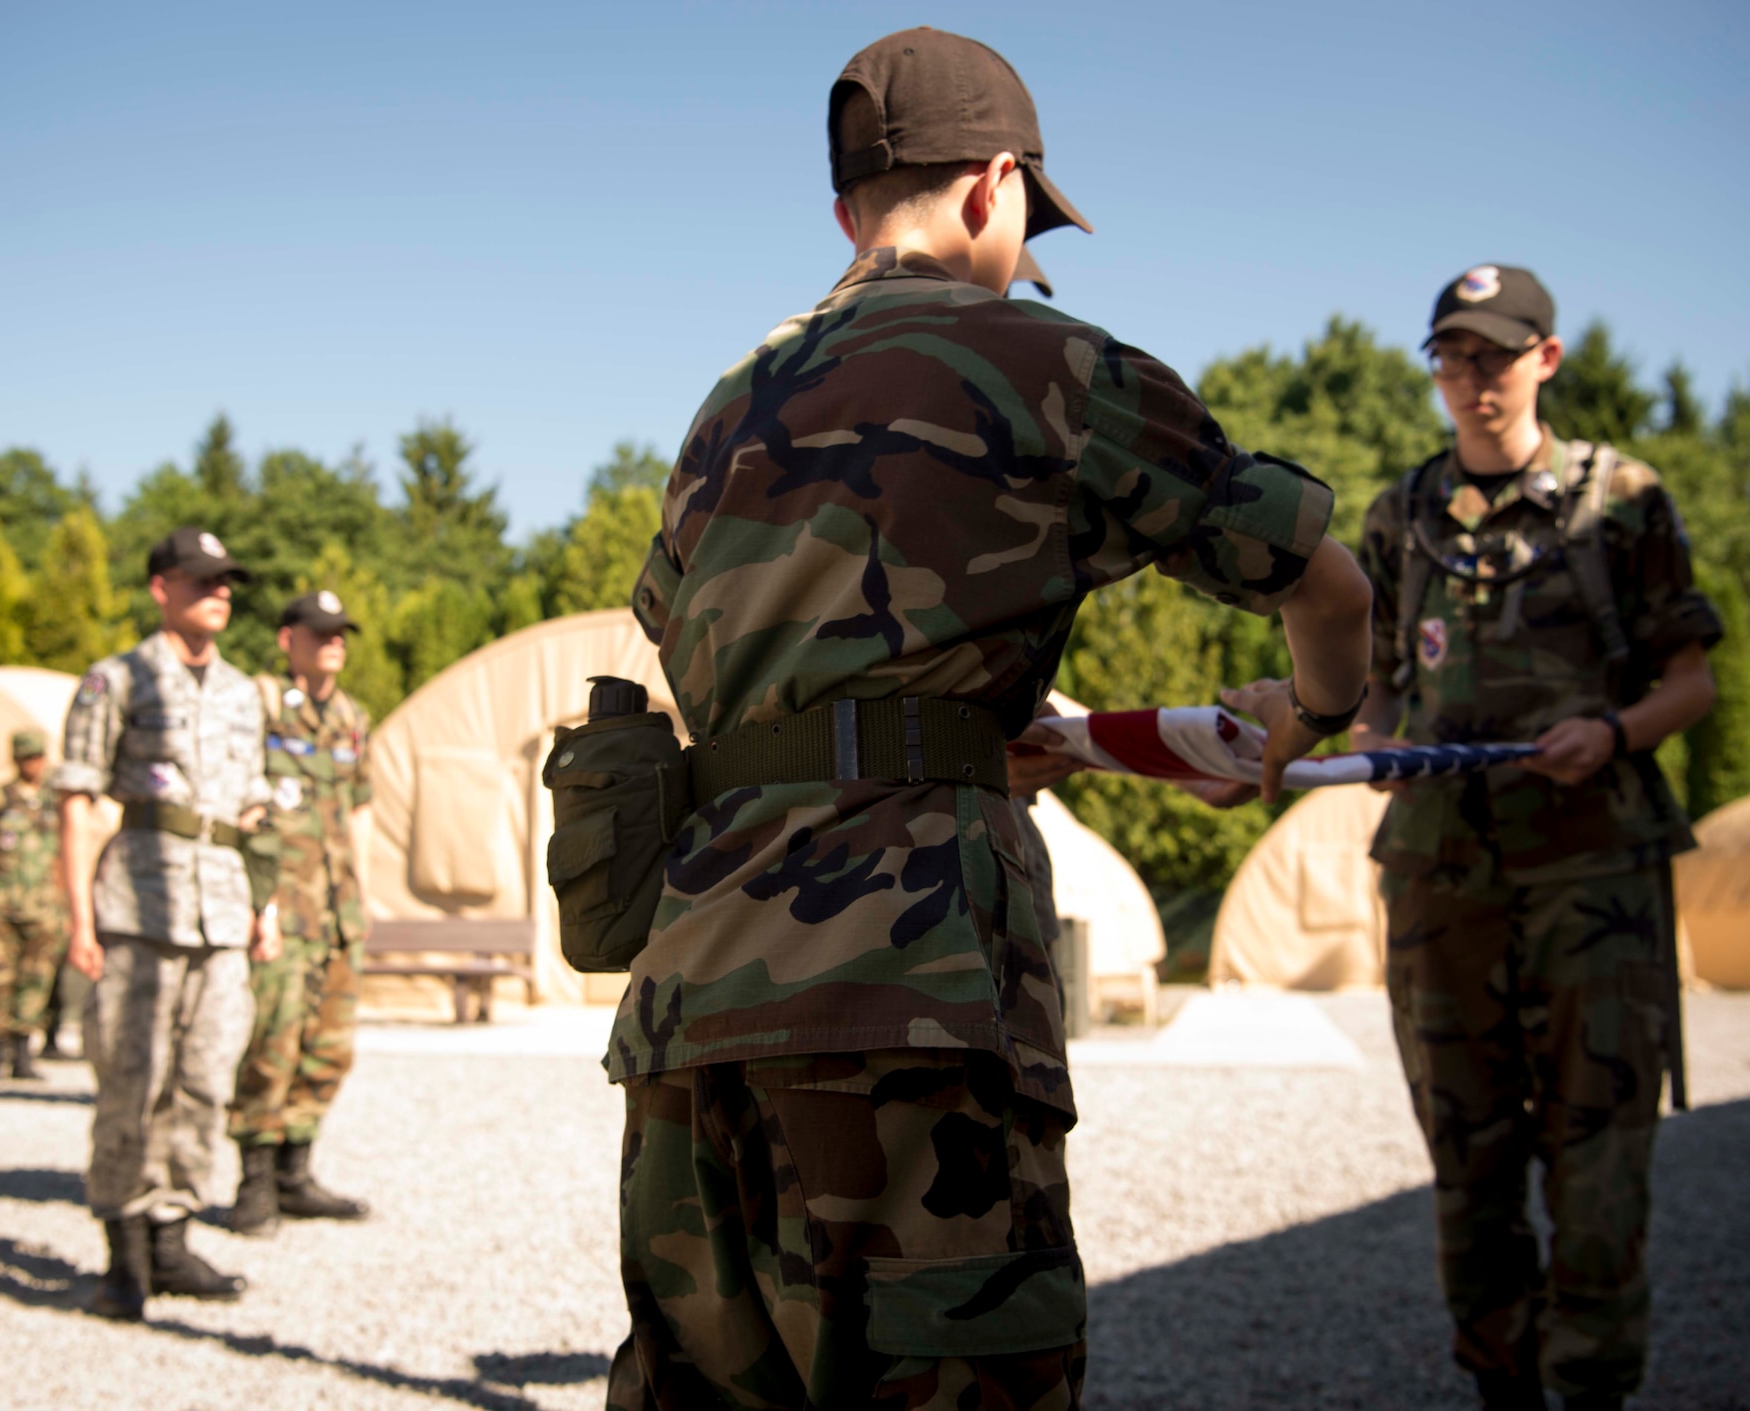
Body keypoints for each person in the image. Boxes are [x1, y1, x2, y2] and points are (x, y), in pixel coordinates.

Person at [605, 28, 1372, 1408]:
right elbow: (1326, 582)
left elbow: (699, 662)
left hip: (692, 1006)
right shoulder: (1046, 359)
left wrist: (939, 721)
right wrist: (1307, 714)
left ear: (846, 211)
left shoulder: (728, 407)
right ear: (993, 184)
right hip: (912, 993)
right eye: (1026, 214)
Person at [1351, 266, 1721, 1411]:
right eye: (1451, 360)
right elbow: (1365, 698)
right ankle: (1499, 1388)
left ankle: (1593, 1390)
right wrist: (1292, 744)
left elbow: (1691, 680)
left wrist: (1609, 733)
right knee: (1467, 1172)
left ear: (1544, 360)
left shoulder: (1621, 500)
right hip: (1438, 882)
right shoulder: (1398, 515)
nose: (1471, 382)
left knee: (1598, 1169)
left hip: (1590, 880)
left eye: (1495, 357)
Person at [53, 526, 277, 1321]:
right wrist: (79, 918)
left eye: (227, 581)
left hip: (221, 910)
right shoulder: (114, 680)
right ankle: (123, 1254)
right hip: (138, 906)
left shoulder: (247, 691)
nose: (219, 591)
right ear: (161, 587)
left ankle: (174, 1231)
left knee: (207, 1078)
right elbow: (79, 805)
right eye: (202, 578)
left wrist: (265, 907)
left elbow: (256, 813)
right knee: (131, 1079)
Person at [227, 590, 373, 1235]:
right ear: (288, 640)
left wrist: (365, 903)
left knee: (329, 1045)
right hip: (282, 906)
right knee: (272, 1041)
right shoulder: (257, 706)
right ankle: (253, 1182)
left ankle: (295, 1172)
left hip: (339, 910)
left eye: (340, 633)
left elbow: (360, 814)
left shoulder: (351, 718)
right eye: (319, 632)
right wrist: (254, 902)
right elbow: (240, 807)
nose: (333, 642)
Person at [0, 729, 67, 1083]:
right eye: (28, 757)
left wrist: (66, 903)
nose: (35, 764)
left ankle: (23, 1054)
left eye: (39, 756)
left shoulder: (55, 800)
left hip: (44, 907)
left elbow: (64, 853)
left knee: (36, 980)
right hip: (0, 905)